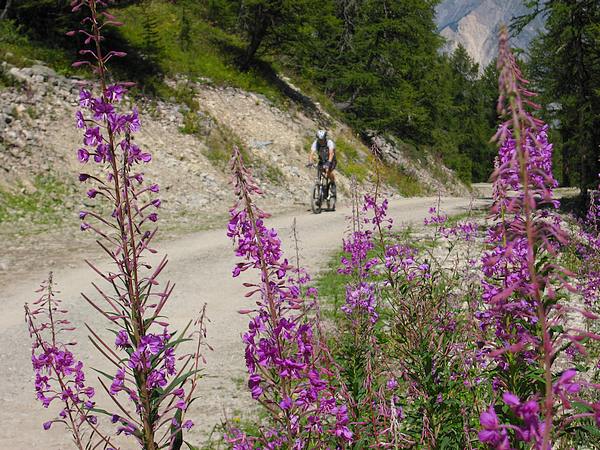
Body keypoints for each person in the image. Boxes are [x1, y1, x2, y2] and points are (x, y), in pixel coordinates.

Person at [308, 129, 337, 200]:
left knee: (327, 171)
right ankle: (320, 194)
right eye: (319, 139)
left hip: (331, 160)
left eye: (322, 139)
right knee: (319, 171)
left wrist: (329, 162)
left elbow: (331, 153)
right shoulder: (315, 143)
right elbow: (311, 153)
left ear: (325, 138)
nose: (321, 141)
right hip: (322, 160)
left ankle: (333, 183)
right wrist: (310, 162)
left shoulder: (329, 142)